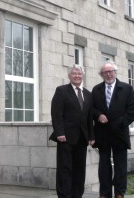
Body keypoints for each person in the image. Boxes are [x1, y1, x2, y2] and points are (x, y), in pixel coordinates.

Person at [92, 62, 134, 198]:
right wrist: (98, 115)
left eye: (111, 71)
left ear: (116, 72)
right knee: (104, 166)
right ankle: (104, 194)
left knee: (120, 167)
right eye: (105, 72)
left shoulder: (127, 88)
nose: (109, 74)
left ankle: (119, 193)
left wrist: (120, 123)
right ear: (101, 75)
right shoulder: (96, 89)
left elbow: (132, 111)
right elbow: (91, 108)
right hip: (102, 134)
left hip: (120, 133)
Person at [50, 64, 95, 198]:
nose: (77, 76)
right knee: (65, 169)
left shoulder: (88, 94)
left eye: (79, 74)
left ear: (83, 76)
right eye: (74, 74)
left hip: (82, 139)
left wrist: (91, 136)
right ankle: (64, 196)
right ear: (69, 76)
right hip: (65, 138)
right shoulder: (61, 91)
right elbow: (56, 114)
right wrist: (59, 133)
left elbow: (89, 117)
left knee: (79, 170)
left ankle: (77, 195)